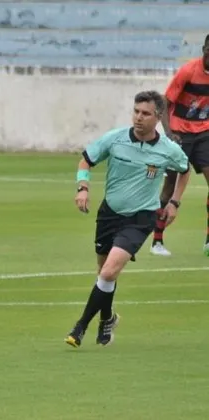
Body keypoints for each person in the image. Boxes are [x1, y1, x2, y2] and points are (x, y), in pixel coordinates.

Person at [65, 91, 190, 348]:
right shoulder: (116, 139)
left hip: (140, 218)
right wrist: (83, 188)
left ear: (158, 117)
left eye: (145, 113)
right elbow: (85, 161)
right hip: (109, 213)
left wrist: (174, 202)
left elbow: (184, 170)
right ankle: (108, 319)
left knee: (109, 271)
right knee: (104, 274)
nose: (138, 118)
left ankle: (80, 327)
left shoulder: (169, 150)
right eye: (136, 111)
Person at [151, 34, 209, 256]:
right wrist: (168, 133)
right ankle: (157, 241)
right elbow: (165, 103)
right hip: (180, 134)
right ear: (204, 48)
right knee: (169, 187)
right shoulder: (188, 71)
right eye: (208, 51)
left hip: (204, 133)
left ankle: (208, 241)